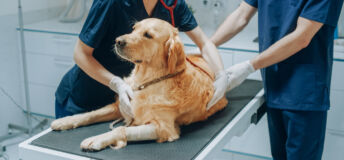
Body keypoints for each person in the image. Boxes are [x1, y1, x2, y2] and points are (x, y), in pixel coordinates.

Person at [207, 0, 343, 159]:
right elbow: (241, 15)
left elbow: (302, 37)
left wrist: (249, 66)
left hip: (304, 94)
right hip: (274, 87)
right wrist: (206, 46)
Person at [55, 0, 223, 119]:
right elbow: (80, 54)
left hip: (125, 104)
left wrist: (222, 77)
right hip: (84, 99)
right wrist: (116, 83)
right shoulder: (111, 3)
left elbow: (204, 43)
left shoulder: (172, 5)